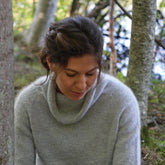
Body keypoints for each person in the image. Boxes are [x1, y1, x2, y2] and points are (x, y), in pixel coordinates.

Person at [14, 16, 141, 165]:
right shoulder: (29, 103)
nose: (82, 85)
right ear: (51, 63)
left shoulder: (121, 102)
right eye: (71, 74)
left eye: (90, 74)